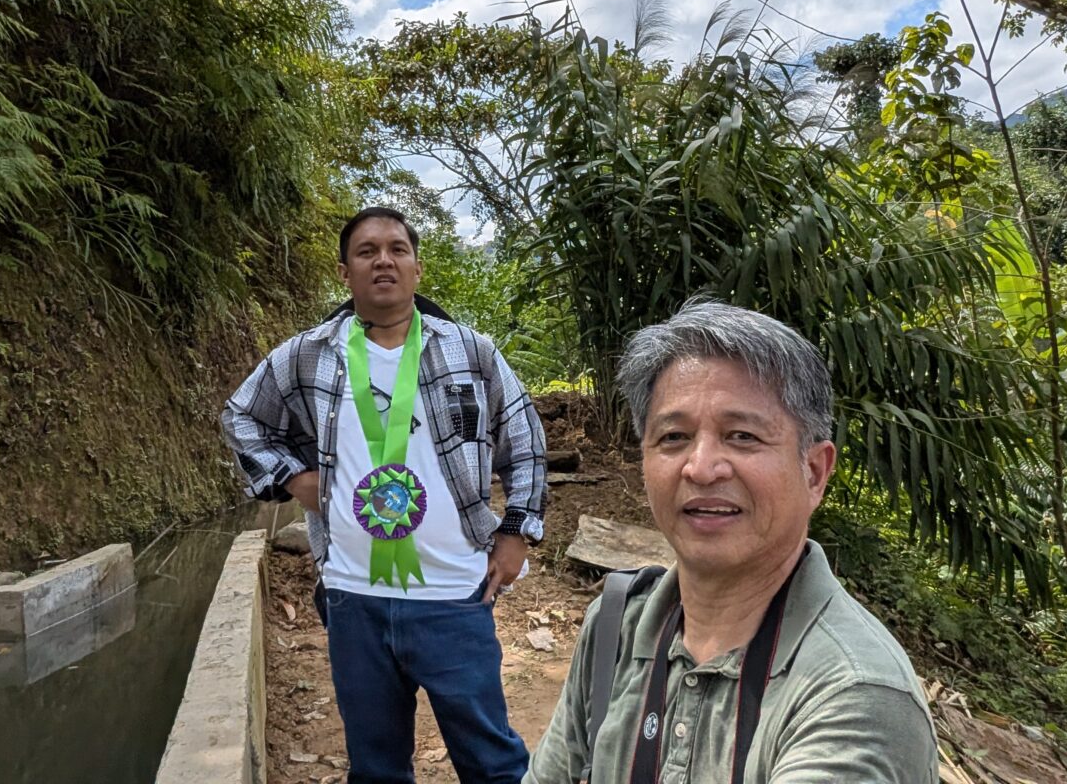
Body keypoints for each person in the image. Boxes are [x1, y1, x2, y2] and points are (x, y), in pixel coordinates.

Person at [525, 301, 937, 784]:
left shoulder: (855, 695)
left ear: (813, 472)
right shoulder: (616, 626)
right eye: (673, 437)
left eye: (742, 436)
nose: (701, 468)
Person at [223, 206, 548, 784]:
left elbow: (523, 440)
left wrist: (517, 531)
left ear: (417, 268)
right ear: (345, 272)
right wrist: (292, 478)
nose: (384, 261)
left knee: (492, 762)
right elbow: (242, 415)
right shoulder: (307, 355)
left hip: (454, 594)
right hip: (354, 598)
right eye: (367, 251)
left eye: (397, 249)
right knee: (375, 767)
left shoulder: (472, 353)